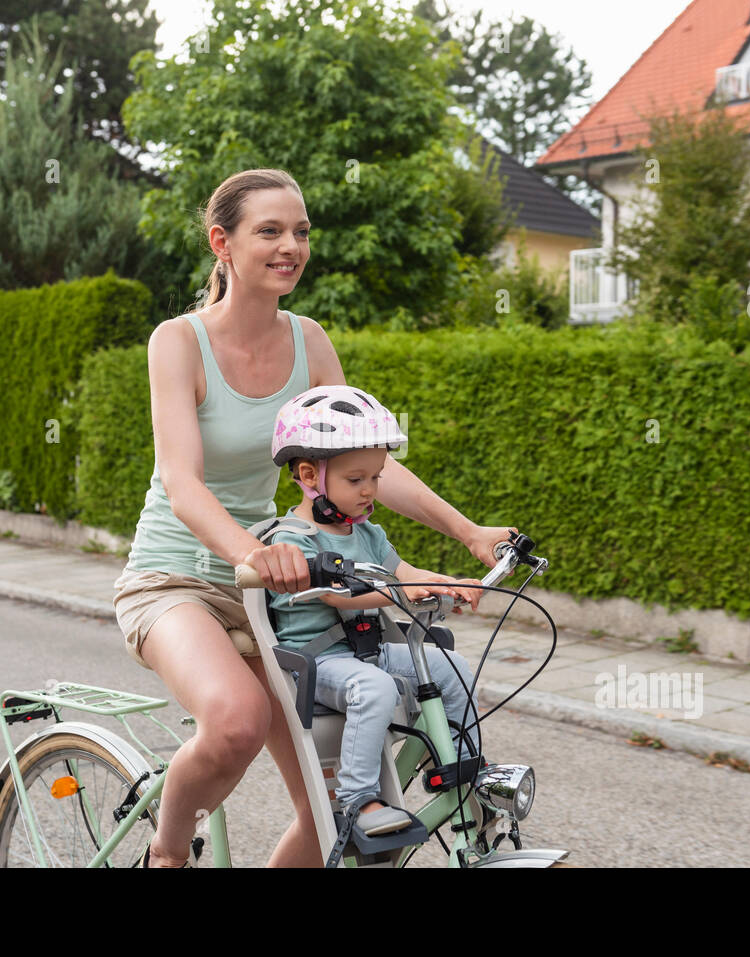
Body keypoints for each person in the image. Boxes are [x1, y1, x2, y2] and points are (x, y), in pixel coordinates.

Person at [111, 167, 519, 868]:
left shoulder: (309, 340)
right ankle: (168, 852)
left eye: (299, 231)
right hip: (175, 578)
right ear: (223, 243)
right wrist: (252, 551)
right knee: (238, 723)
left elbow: (365, 465)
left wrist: (469, 531)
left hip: (279, 582)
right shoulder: (177, 341)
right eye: (269, 230)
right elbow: (181, 482)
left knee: (340, 813)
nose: (290, 245)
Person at [266, 385, 483, 836]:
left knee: (453, 667)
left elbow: (403, 571)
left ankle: (466, 771)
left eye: (377, 477)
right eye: (355, 480)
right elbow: (338, 596)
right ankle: (359, 801)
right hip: (317, 662)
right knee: (376, 688)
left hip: (368, 649)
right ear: (309, 475)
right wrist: (405, 588)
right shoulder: (292, 540)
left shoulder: (367, 533)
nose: (370, 490)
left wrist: (449, 583)